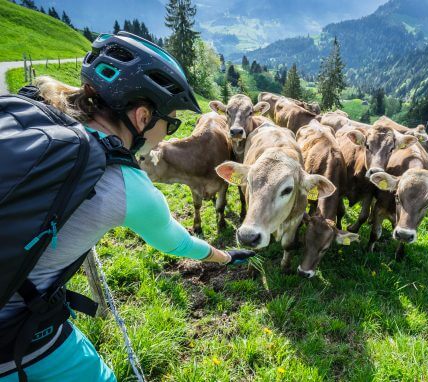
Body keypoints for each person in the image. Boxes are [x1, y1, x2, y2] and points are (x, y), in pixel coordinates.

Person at [0, 32, 254, 381]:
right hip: (13, 333)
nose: (167, 135)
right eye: (171, 123)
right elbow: (179, 243)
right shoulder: (126, 184)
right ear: (142, 117)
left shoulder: (41, 111)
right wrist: (225, 256)